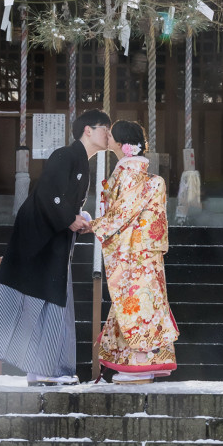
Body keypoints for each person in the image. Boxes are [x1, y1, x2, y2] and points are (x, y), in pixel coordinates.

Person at [0, 109, 109, 385]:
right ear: (88, 130)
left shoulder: (81, 163)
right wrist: (69, 218)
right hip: (38, 237)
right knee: (42, 299)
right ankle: (42, 370)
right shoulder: (65, 155)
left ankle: (53, 369)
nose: (108, 136)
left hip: (54, 236)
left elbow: (64, 202)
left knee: (55, 300)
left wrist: (80, 218)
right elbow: (48, 195)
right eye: (104, 129)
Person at [90, 119, 178, 381]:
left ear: (119, 143)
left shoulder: (129, 173)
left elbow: (121, 213)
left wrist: (93, 226)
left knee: (135, 306)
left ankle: (140, 365)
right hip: (144, 254)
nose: (106, 137)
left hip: (132, 253)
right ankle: (144, 363)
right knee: (141, 305)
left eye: (111, 135)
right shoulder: (140, 173)